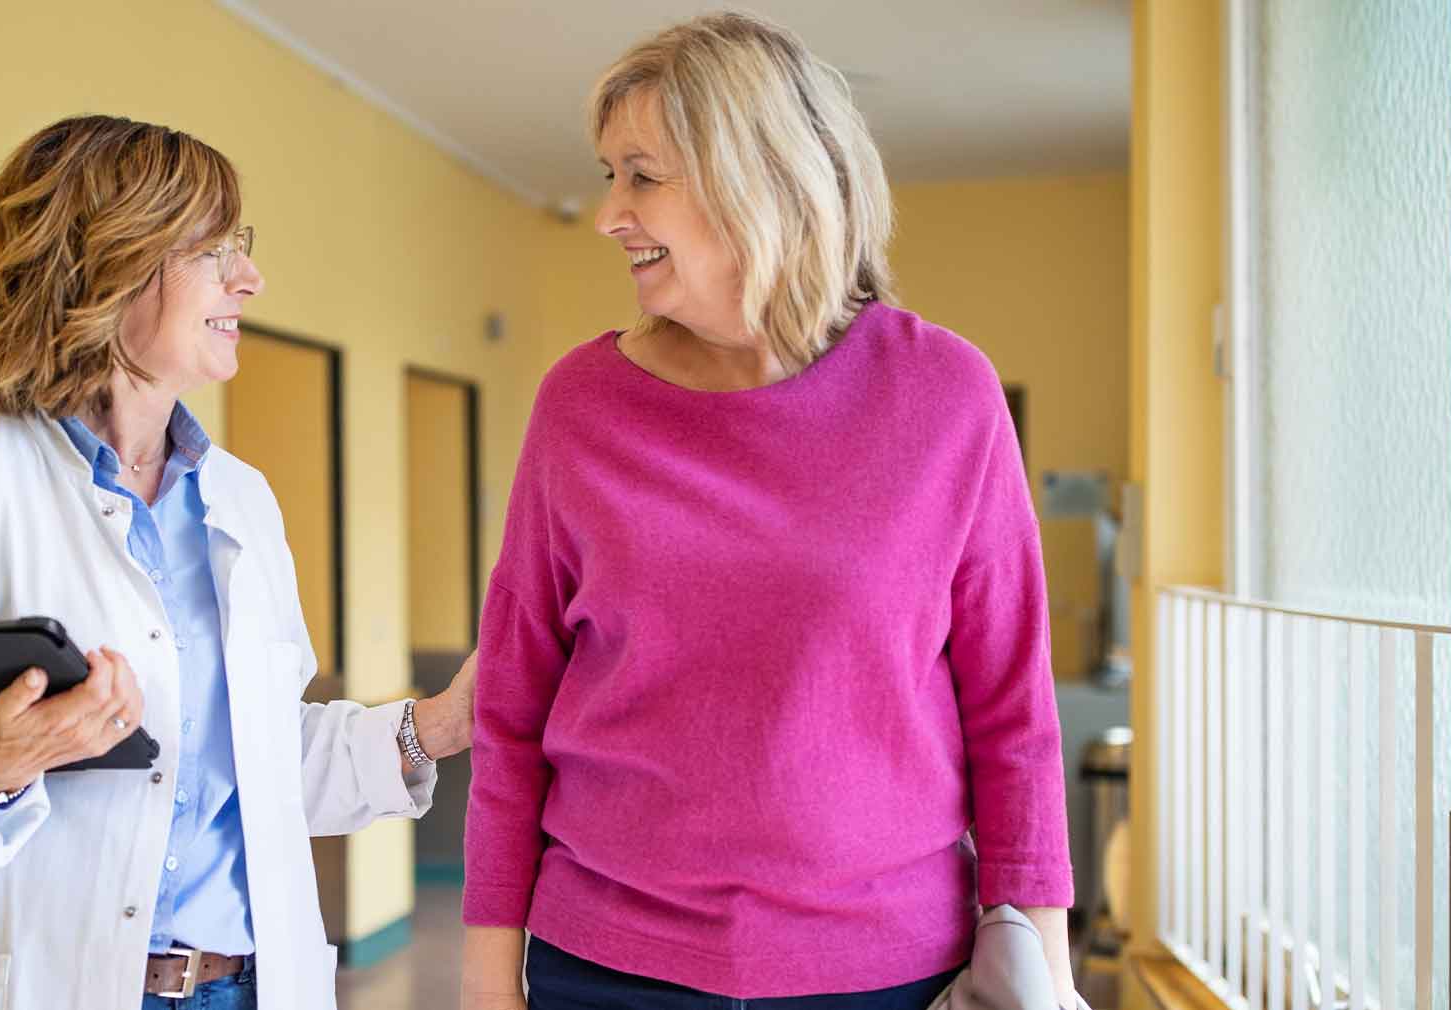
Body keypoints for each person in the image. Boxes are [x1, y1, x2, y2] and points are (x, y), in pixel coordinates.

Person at [459, 13, 1078, 1010]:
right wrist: (487, 984)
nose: (608, 212)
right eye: (608, 172)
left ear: (757, 176)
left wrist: (1043, 972)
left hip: (893, 971)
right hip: (608, 967)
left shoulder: (946, 394)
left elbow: (1015, 715)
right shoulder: (579, 405)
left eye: (641, 173)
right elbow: (514, 709)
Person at [0, 114, 475, 1010]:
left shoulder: (242, 503)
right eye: (213, 251)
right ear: (107, 263)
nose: (249, 278)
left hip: (245, 988)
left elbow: (258, 766)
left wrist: (438, 725)